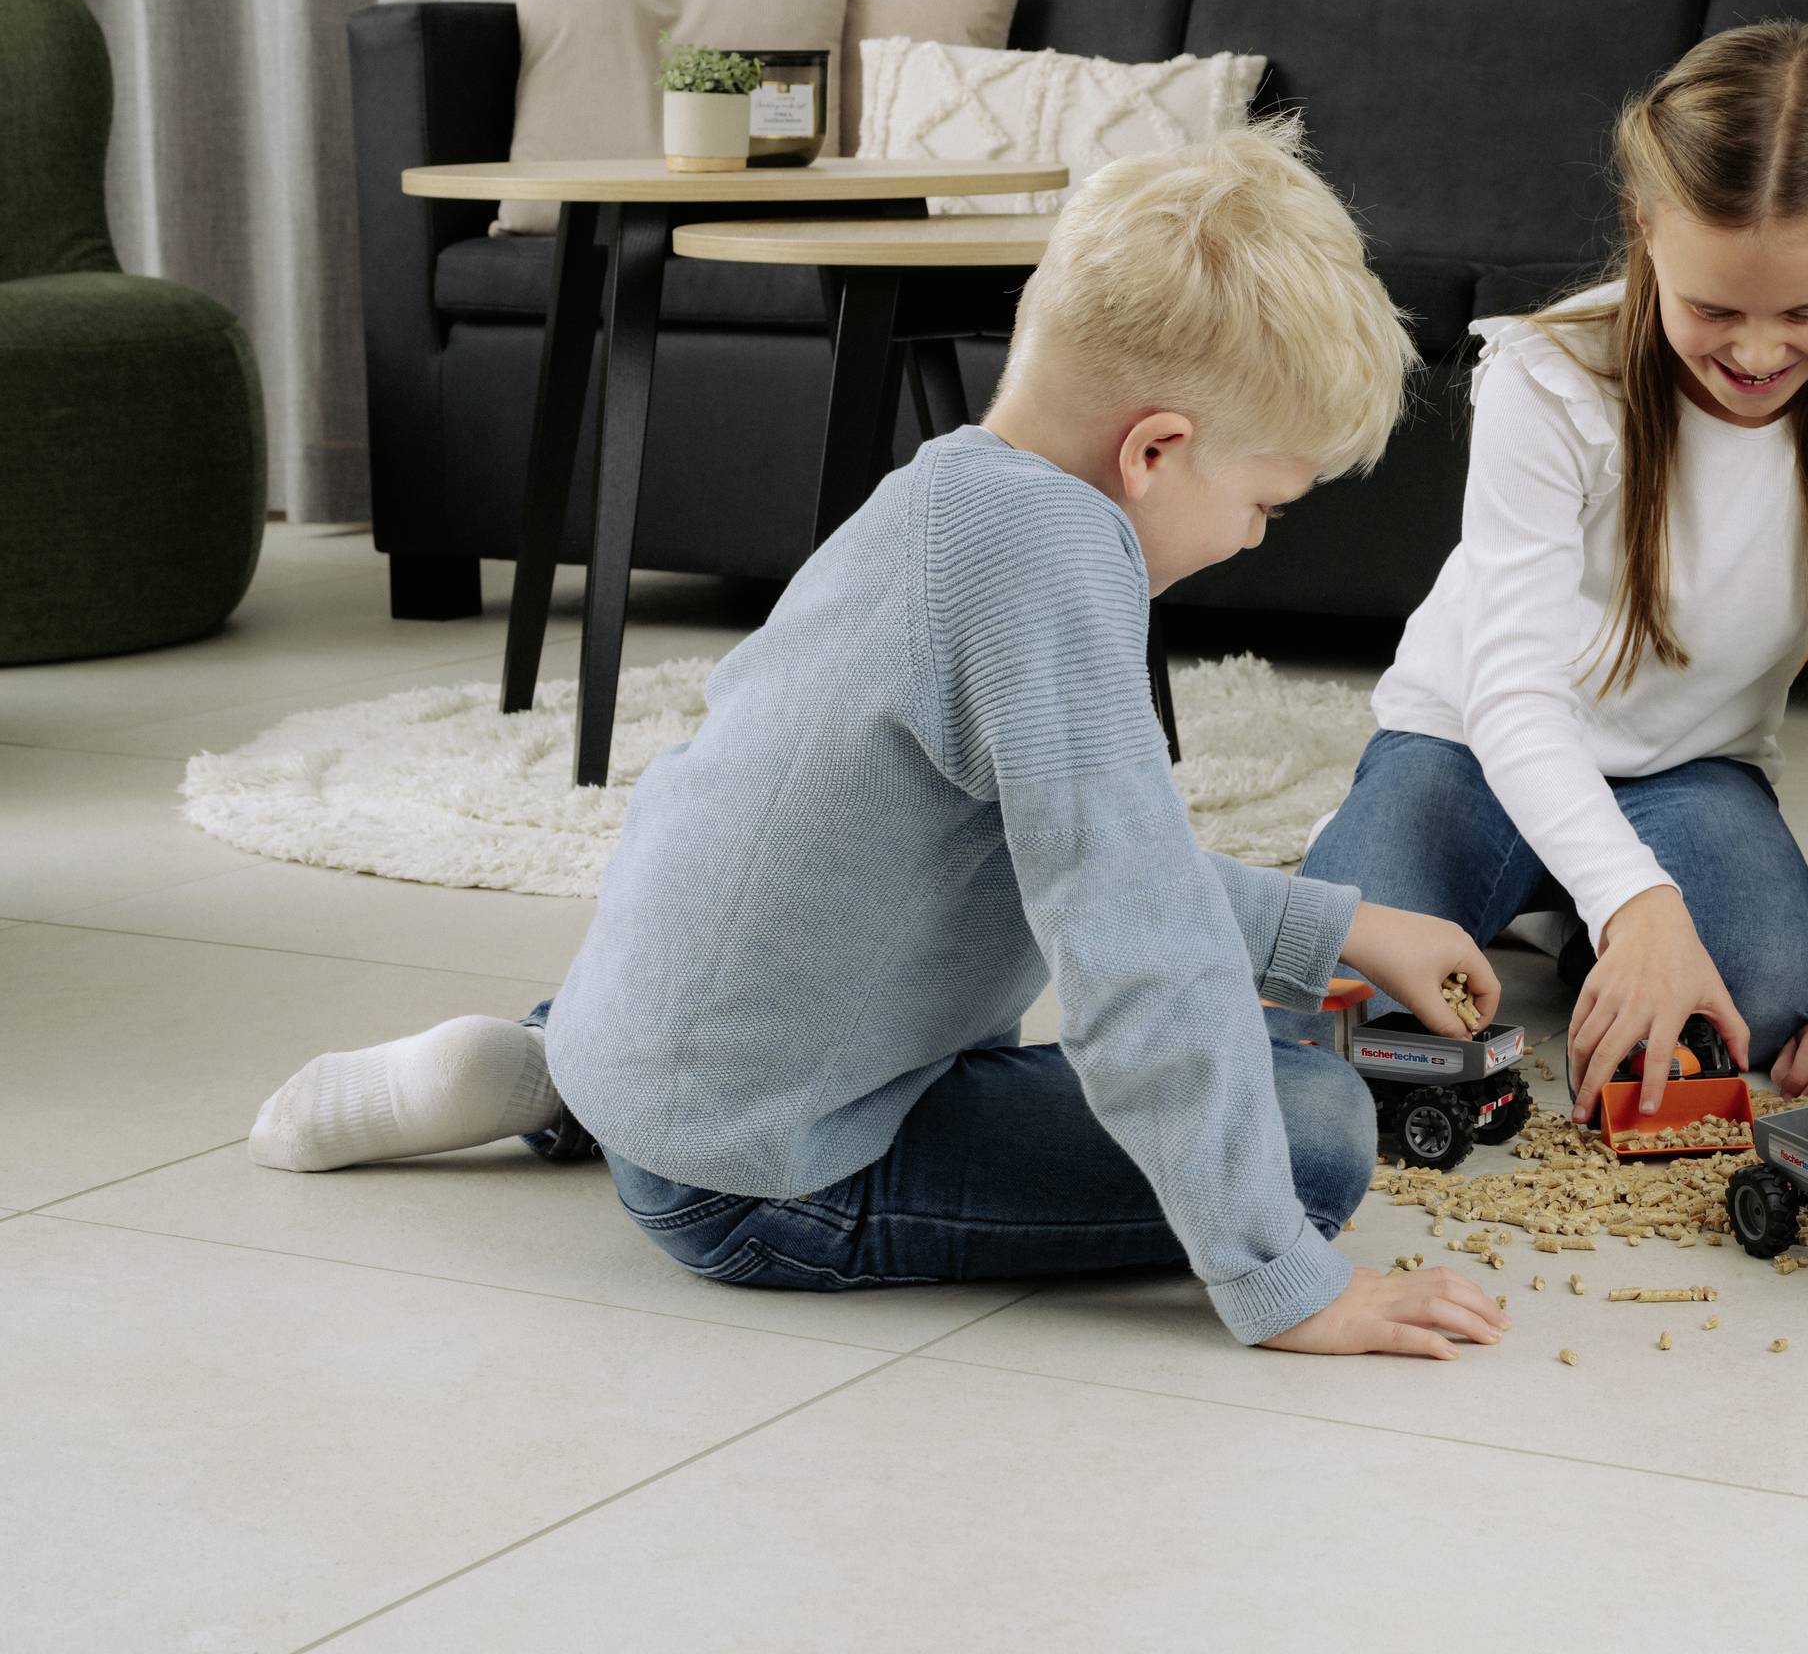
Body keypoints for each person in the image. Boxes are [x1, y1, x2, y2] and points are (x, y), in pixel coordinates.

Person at [247, 123, 1512, 1359]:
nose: (1253, 537)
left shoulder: (943, 493)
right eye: (1262, 504)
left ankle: (552, 1076)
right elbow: (1139, 948)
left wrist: (1336, 928)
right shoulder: (1060, 569)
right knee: (1318, 1124)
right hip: (759, 1184)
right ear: (1156, 451)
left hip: (647, 1045)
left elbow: (1060, 859)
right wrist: (1279, 1278)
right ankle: (612, 1112)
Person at [1297, 20, 1808, 1126]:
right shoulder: (1549, 378)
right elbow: (1512, 690)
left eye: (1806, 311)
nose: (1757, 355)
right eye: (1712, 306)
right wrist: (1640, 902)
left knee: (1762, 994)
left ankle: (1572, 907)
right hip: (1469, 747)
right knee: (1353, 990)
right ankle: (1569, 891)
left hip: (1687, 768)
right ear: (1645, 232)